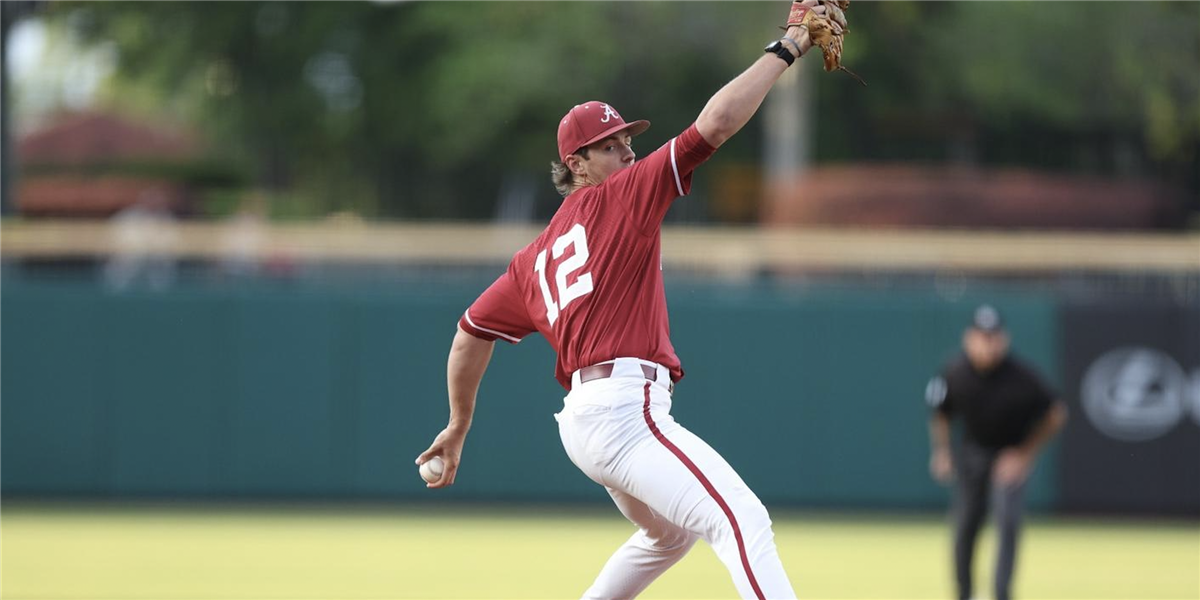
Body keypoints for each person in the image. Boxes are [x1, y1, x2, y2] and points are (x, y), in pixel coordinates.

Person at [415, 2, 844, 598]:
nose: (627, 153)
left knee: (668, 537)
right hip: (624, 411)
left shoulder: (532, 259)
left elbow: (470, 332)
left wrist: (459, 423)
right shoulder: (621, 197)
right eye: (611, 145)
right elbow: (713, 127)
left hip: (585, 425)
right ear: (578, 163)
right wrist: (788, 47)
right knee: (743, 521)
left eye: (625, 141)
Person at [926, 305, 1069, 600]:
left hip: (1008, 456)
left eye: (993, 337)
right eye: (982, 336)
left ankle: (1002, 594)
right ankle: (963, 593)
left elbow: (1056, 413)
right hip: (973, 453)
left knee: (1007, 524)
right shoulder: (955, 371)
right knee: (965, 526)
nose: (988, 343)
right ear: (969, 338)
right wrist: (942, 452)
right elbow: (940, 412)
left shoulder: (1021, 376)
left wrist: (1025, 454)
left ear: (1004, 339)